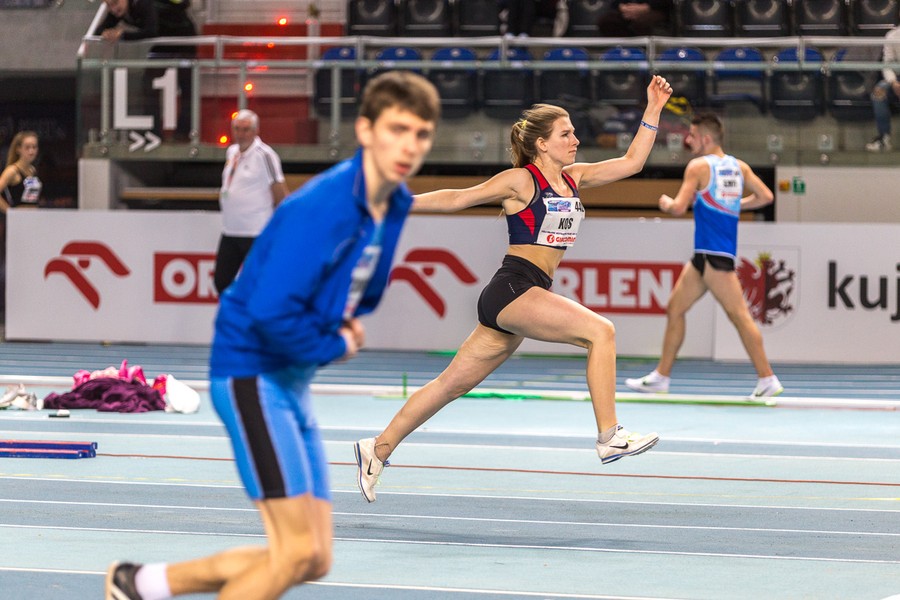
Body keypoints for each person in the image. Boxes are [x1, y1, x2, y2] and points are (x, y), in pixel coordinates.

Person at [104, 71, 441, 600]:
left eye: (421, 134)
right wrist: (336, 344)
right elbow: (267, 314)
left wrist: (341, 321)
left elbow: (364, 289)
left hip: (291, 382)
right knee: (292, 553)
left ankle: (139, 584)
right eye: (397, 130)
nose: (410, 145)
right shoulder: (324, 205)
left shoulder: (394, 202)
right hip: (251, 373)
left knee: (314, 557)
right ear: (365, 130)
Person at [354, 75, 674, 504]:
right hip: (513, 288)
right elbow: (458, 198)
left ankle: (376, 449)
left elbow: (633, 162)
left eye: (574, 133)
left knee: (450, 385)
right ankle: (609, 436)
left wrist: (653, 108)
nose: (576, 140)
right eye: (566, 134)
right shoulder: (521, 181)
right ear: (542, 144)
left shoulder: (575, 177)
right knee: (601, 332)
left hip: (526, 291)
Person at [625, 113, 783, 399]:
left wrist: (666, 203)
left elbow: (678, 207)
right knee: (675, 308)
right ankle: (661, 376)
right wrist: (733, 205)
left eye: (693, 135)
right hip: (703, 256)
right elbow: (766, 197)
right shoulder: (739, 167)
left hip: (715, 257)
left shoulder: (698, 166)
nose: (689, 140)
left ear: (706, 139)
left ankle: (767, 378)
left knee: (740, 316)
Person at [95, 0, 198, 139]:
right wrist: (107, 33)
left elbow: (151, 31)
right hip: (164, 40)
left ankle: (184, 132)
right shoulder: (118, 11)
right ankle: (153, 131)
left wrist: (122, 35)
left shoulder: (144, 4)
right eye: (109, 5)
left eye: (115, 3)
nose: (113, 9)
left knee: (186, 85)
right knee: (148, 83)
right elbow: (99, 30)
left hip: (183, 38)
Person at [213, 109, 290, 294]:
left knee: (258, 282)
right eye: (237, 129)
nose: (241, 134)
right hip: (231, 230)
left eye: (246, 129)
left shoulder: (265, 155)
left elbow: (279, 192)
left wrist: (282, 225)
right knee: (221, 281)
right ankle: (234, 311)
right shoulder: (232, 152)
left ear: (256, 131)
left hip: (255, 231)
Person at [0, 131, 41, 324]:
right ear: (18, 149)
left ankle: (28, 308)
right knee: (14, 267)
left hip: (33, 225)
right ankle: (8, 311)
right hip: (19, 225)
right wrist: (9, 212)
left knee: (30, 266)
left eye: (34, 147)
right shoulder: (12, 171)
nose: (31, 151)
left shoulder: (32, 170)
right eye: (27, 147)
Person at [866, 25, 900, 152]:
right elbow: (887, 63)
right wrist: (893, 82)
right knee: (878, 92)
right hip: (896, 79)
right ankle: (884, 138)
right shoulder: (892, 36)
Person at [597, 0, 671, 37]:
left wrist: (646, 8)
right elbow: (615, 3)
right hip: (628, 12)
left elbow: (668, 3)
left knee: (642, 22)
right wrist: (622, 7)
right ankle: (627, 51)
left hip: (654, 10)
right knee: (607, 21)